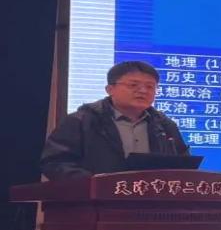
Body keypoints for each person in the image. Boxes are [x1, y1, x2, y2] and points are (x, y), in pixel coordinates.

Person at [40, 61, 189, 180]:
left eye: (150, 86)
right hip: (95, 203)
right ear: (110, 89)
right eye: (133, 85)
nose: (143, 91)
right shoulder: (81, 121)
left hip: (152, 202)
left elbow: (183, 166)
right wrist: (95, 182)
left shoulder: (165, 125)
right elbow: (54, 163)